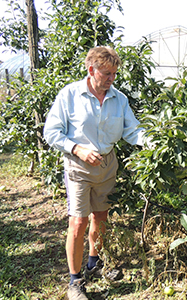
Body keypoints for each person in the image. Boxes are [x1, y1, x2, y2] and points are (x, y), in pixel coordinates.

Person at [43, 46, 151, 300]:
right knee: (78, 221)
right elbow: (52, 132)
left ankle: (95, 263)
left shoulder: (119, 99)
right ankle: (75, 281)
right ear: (91, 70)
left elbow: (132, 130)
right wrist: (77, 149)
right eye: (106, 74)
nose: (111, 79)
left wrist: (156, 141)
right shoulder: (69, 95)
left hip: (107, 164)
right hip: (78, 165)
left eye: (114, 73)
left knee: (101, 216)